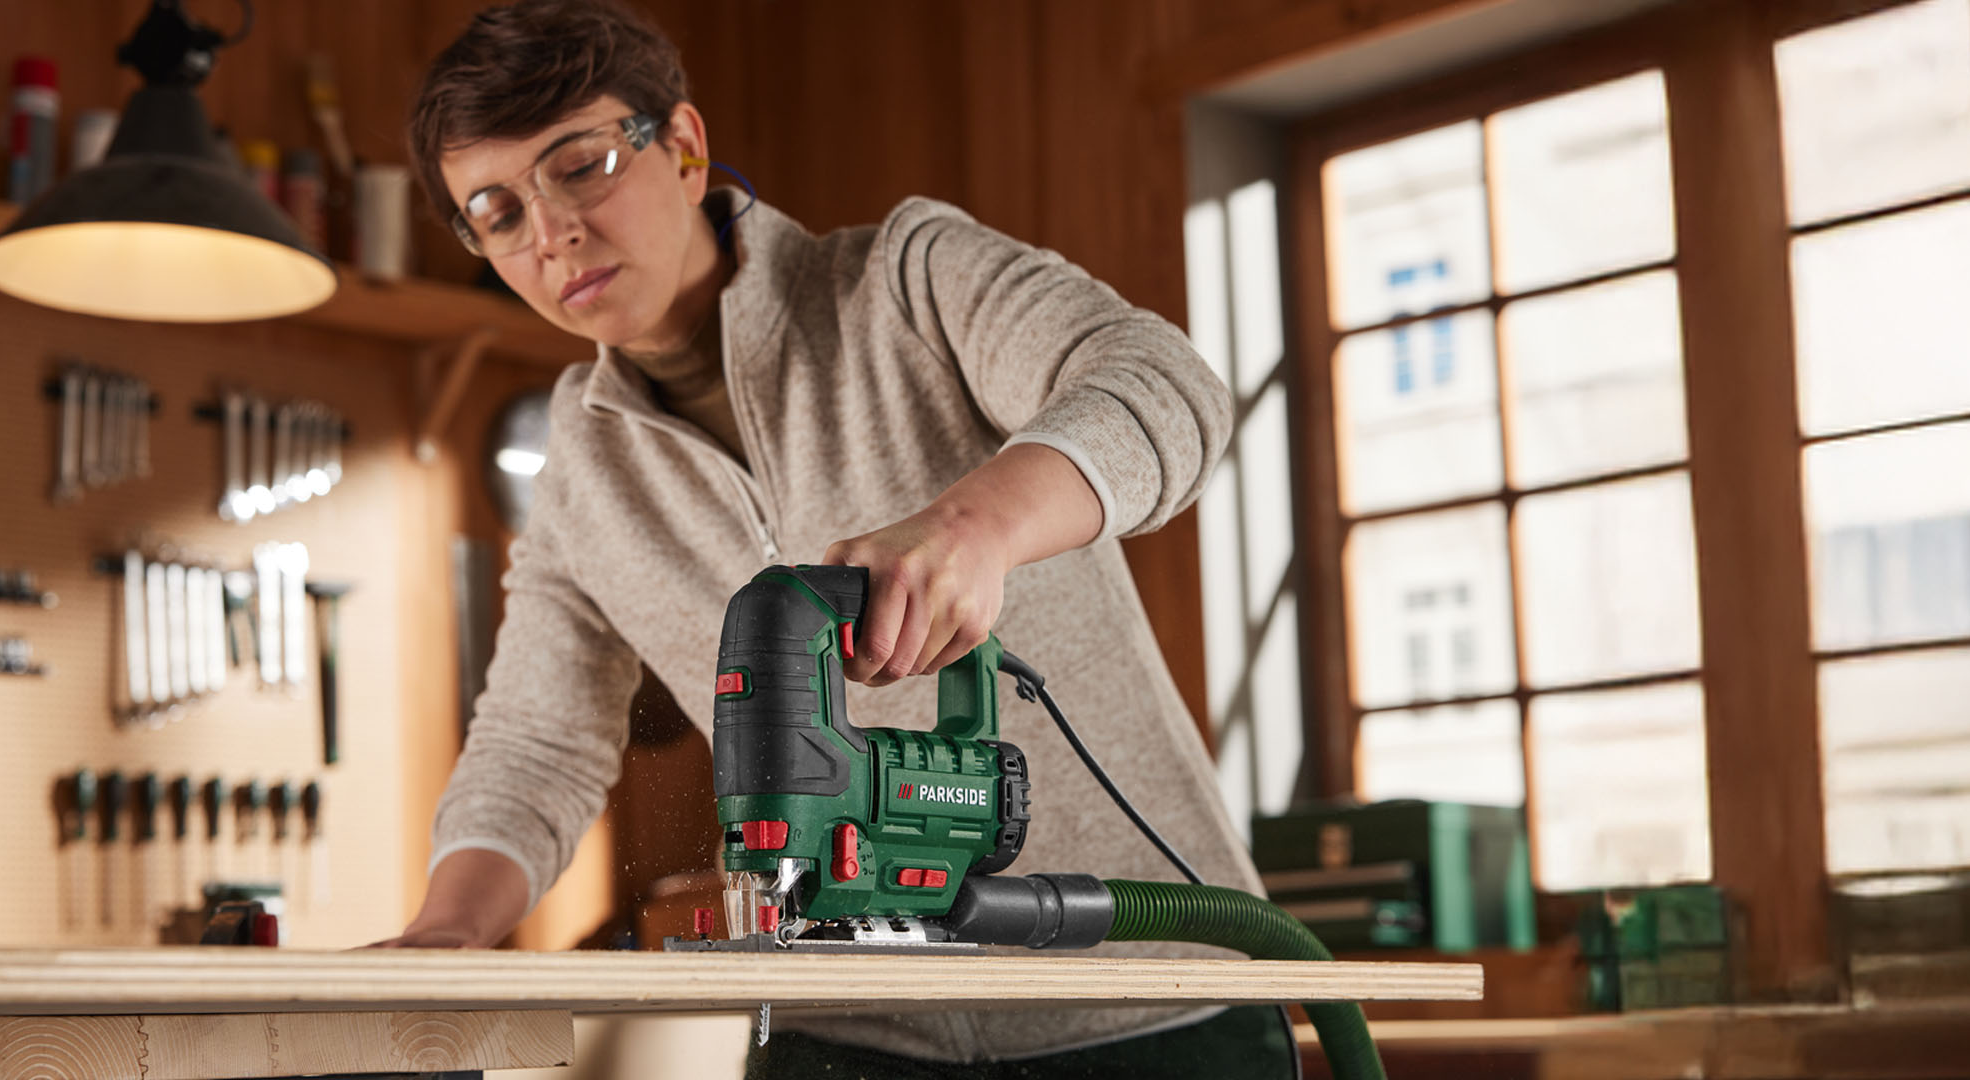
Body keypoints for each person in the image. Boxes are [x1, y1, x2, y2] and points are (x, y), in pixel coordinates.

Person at [376, 1, 1290, 1075]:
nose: (551, 233)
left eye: (580, 167)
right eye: (496, 213)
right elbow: (535, 746)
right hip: (840, 1031)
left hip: (1150, 1000)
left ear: (684, 148)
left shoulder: (905, 283)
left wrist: (976, 529)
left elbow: (1164, 384)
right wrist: (446, 933)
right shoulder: (583, 469)